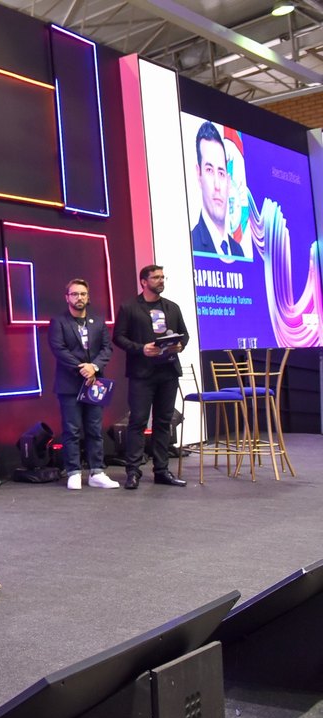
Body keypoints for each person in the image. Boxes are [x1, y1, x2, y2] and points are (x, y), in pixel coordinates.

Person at [112, 265, 189, 489]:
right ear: (143, 282)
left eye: (163, 277)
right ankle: (133, 472)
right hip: (142, 374)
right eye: (156, 277)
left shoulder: (172, 307)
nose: (161, 280)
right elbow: (118, 337)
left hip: (168, 372)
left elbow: (184, 335)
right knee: (137, 421)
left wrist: (180, 345)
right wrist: (141, 348)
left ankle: (162, 470)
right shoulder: (129, 307)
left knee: (163, 422)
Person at [48, 278, 118, 491]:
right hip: (69, 384)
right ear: (67, 297)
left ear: (88, 297)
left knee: (95, 429)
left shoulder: (98, 321)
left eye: (83, 294)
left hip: (95, 383)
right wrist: (82, 368)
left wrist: (94, 367)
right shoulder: (59, 322)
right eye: (75, 294)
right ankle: (74, 472)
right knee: (72, 429)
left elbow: (107, 348)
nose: (79, 297)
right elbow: (58, 349)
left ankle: (97, 472)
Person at [190, 121, 244, 258]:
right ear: (199, 174)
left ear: (228, 180)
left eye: (221, 173)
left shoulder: (238, 251)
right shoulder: (191, 244)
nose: (217, 186)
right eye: (209, 170)